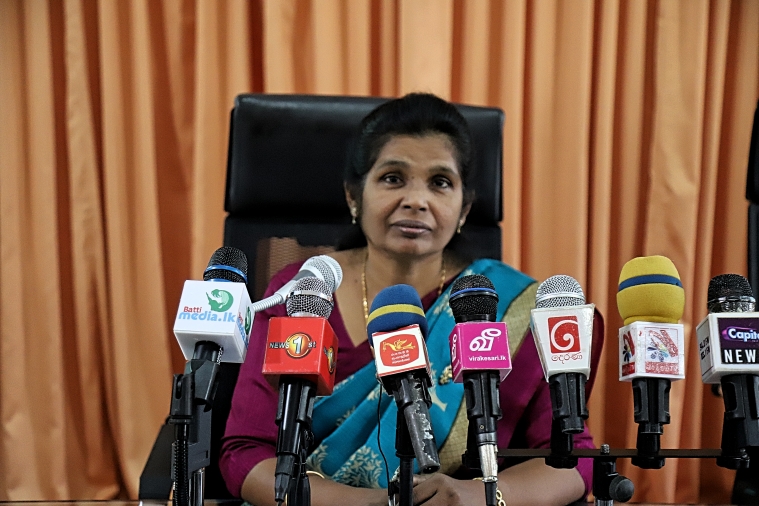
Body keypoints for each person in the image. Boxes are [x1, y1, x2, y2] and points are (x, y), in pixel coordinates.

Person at [220, 93, 601, 506]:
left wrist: (474, 495)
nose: (416, 200)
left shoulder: (504, 306)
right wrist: (371, 504)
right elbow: (246, 453)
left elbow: (571, 460)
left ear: (464, 209)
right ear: (353, 195)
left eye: (440, 182)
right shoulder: (304, 293)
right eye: (393, 178)